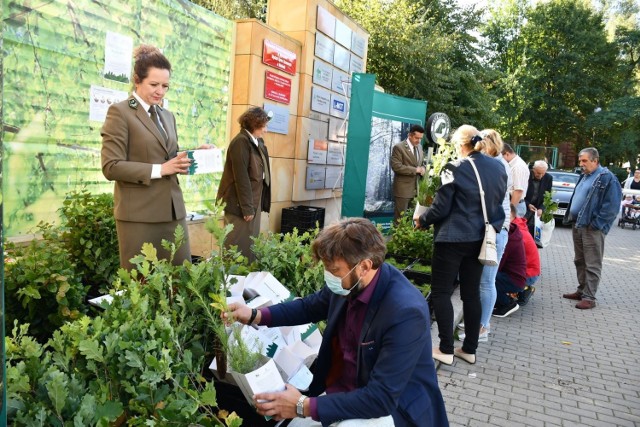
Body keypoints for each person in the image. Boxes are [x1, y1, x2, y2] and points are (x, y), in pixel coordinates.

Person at [224, 218, 448, 426]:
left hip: (394, 411)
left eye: (333, 270)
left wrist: (303, 405)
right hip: (345, 393)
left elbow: (381, 398)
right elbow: (308, 307)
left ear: (364, 266)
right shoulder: (349, 284)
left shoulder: (405, 312)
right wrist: (255, 315)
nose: (328, 275)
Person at [101, 45, 204, 270]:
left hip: (173, 213)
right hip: (140, 217)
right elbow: (111, 166)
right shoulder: (120, 112)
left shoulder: (167, 116)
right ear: (137, 80)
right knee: (143, 285)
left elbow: (167, 155)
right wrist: (160, 169)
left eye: (165, 86)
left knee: (181, 282)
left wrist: (194, 154)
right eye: (154, 84)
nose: (160, 91)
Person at [414, 125, 507, 365]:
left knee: (442, 292)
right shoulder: (498, 167)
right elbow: (497, 204)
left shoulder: (453, 167)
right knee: (471, 293)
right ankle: (469, 349)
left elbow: (442, 207)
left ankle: (445, 349)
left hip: (451, 239)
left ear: (459, 144)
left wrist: (423, 220)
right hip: (480, 239)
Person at [461, 129, 512, 343]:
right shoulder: (497, 164)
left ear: (487, 144)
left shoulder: (497, 166)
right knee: (481, 280)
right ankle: (477, 321)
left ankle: (482, 327)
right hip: (492, 229)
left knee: (486, 281)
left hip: (495, 231)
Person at [562, 147, 622, 309]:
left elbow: (612, 207)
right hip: (578, 224)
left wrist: (596, 224)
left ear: (595, 161)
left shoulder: (607, 178)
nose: (581, 164)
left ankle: (589, 297)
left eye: (584, 161)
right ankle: (582, 290)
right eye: (580, 160)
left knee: (592, 263)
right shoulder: (585, 176)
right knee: (579, 260)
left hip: (592, 228)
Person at [217, 107, 272, 263]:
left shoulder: (257, 142)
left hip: (252, 203)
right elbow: (241, 177)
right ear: (254, 125)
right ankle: (233, 283)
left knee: (249, 247)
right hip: (240, 206)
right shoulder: (240, 142)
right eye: (263, 126)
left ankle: (246, 283)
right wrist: (247, 208)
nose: (266, 131)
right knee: (236, 247)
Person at [493, 204, 527, 317]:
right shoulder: (513, 232)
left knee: (487, 280)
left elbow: (497, 264)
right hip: (516, 276)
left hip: (514, 279)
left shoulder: (508, 239)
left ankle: (506, 303)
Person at [391, 124, 426, 221]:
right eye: (416, 138)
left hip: (416, 190)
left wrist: (423, 168)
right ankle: (397, 237)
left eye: (420, 138)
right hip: (403, 190)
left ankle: (409, 236)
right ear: (409, 135)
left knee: (412, 219)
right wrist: (415, 170)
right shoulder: (398, 147)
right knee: (400, 220)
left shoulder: (419, 147)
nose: (418, 141)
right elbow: (396, 167)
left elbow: (422, 163)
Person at [512, 215, 541, 306]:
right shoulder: (518, 228)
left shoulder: (516, 233)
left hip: (529, 274)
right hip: (530, 272)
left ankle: (523, 290)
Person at [524, 160, 553, 238]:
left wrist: (541, 209)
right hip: (524, 208)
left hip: (536, 212)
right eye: (538, 173)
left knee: (533, 235)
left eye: (542, 173)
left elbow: (548, 196)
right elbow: (520, 193)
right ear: (533, 169)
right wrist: (527, 204)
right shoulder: (526, 174)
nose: (540, 175)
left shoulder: (548, 178)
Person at [501, 143, 530, 217]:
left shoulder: (517, 167)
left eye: (501, 157)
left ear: (507, 154)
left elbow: (518, 191)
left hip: (516, 205)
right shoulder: (514, 165)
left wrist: (510, 211)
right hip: (515, 204)